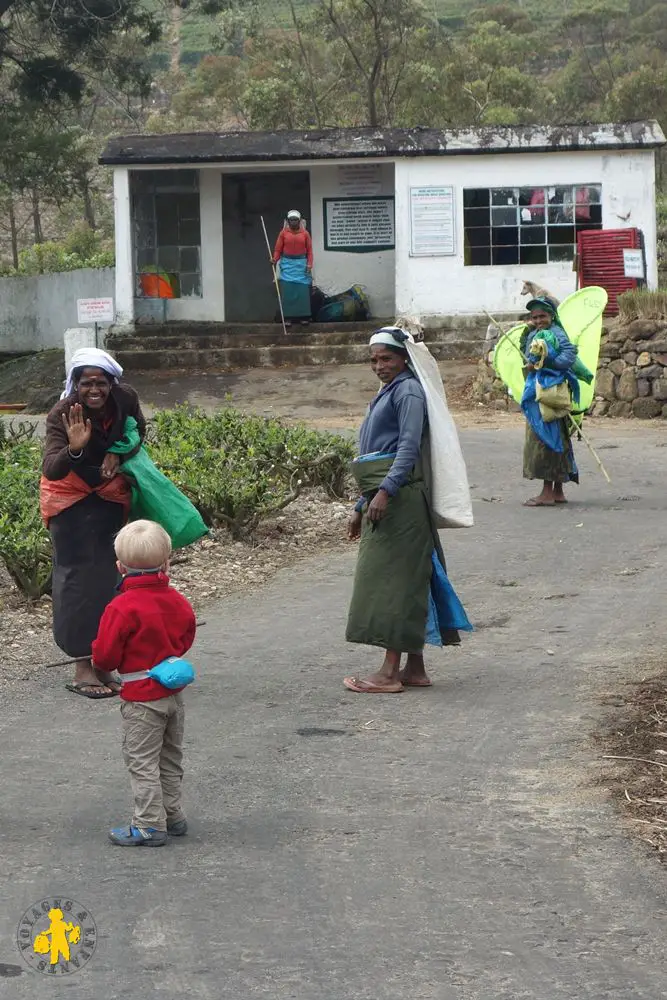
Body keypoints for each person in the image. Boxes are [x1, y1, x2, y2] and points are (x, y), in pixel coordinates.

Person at [343, 328, 471, 693]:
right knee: (414, 578)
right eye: (374, 360)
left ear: (404, 358)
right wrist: (361, 503)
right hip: (386, 497)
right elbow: (376, 452)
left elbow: (407, 448)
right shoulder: (390, 391)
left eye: (387, 358)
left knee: (394, 583)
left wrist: (384, 491)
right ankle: (415, 669)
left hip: (400, 501)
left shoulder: (408, 392)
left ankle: (387, 674)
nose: (379, 366)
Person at [41, 348, 146, 698]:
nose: (94, 390)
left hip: (107, 498)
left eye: (101, 382)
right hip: (69, 502)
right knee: (76, 581)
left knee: (109, 578)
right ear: (76, 385)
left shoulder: (125, 399)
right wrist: (74, 448)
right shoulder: (62, 413)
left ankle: (103, 662)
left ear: (112, 383)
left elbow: (138, 433)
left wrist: (119, 451)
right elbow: (51, 469)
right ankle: (82, 667)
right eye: (86, 383)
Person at [91, 520, 196, 847]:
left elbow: (105, 657)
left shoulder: (120, 607)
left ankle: (149, 824)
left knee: (142, 761)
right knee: (169, 758)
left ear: (120, 567)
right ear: (166, 563)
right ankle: (173, 814)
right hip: (172, 695)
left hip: (141, 700)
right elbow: (186, 636)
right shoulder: (177, 601)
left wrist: (101, 666)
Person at [520, 297, 581, 507]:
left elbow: (569, 355)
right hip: (547, 392)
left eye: (542, 316)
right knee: (558, 438)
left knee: (545, 438)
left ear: (551, 316)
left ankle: (547, 494)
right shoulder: (535, 334)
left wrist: (546, 363)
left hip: (548, 394)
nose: (538, 320)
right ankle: (558, 491)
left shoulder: (556, 333)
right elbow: (530, 358)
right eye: (535, 317)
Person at [272, 209, 313, 326]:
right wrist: (274, 259)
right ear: (288, 221)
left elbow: (310, 251)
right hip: (288, 265)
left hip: (301, 266)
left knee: (302, 292)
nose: (293, 222)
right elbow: (278, 249)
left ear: (299, 221)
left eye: (296, 220)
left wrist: (309, 264)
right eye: (291, 220)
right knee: (288, 291)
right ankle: (288, 317)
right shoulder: (283, 233)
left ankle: (304, 317)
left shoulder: (305, 234)